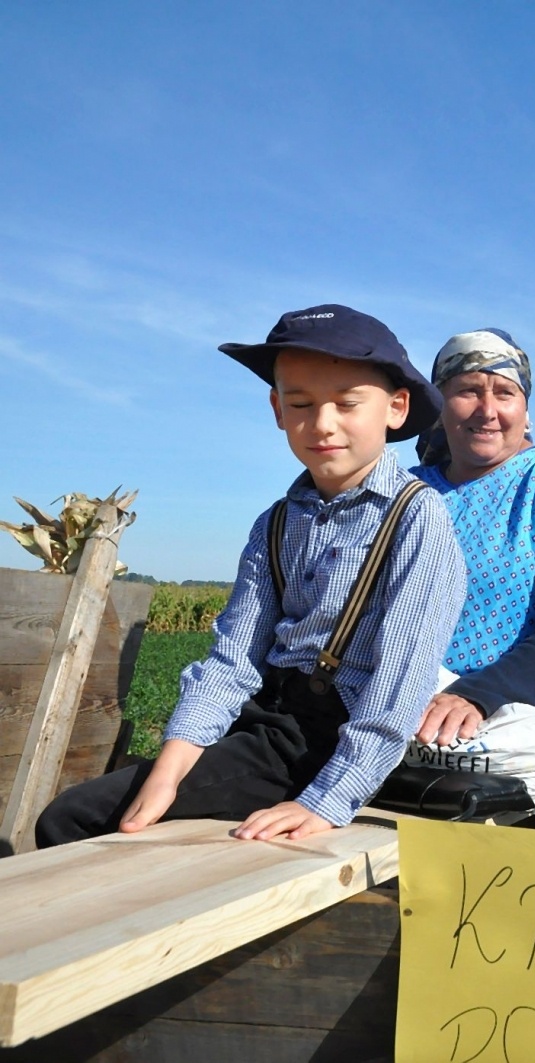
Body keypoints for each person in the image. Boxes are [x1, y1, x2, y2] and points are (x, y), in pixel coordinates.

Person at [36, 305, 467, 846]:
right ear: (277, 408)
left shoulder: (416, 519)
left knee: (73, 818)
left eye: (348, 403)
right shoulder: (277, 522)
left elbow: (399, 683)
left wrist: (326, 802)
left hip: (328, 743)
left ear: (396, 408)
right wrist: (169, 771)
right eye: (301, 404)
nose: (323, 423)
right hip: (264, 722)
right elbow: (233, 661)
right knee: (114, 811)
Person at [407, 328, 535, 803]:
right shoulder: (409, 492)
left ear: (525, 409)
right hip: (418, 710)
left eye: (504, 392)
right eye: (467, 391)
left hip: (531, 716)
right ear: (440, 403)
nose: (488, 410)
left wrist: (478, 696)